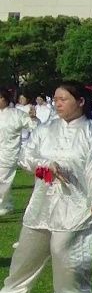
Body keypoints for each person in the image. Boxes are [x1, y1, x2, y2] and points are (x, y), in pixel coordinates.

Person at [0, 82, 92, 293]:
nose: (58, 103)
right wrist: (44, 165)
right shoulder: (46, 130)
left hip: (77, 205)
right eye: (56, 99)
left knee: (66, 252)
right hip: (42, 203)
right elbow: (26, 157)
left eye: (63, 99)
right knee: (26, 252)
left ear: (81, 102)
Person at [0, 87, 38, 215]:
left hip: (9, 152)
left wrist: (33, 118)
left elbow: (34, 127)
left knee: (3, 180)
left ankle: (3, 206)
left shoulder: (17, 114)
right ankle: (7, 203)